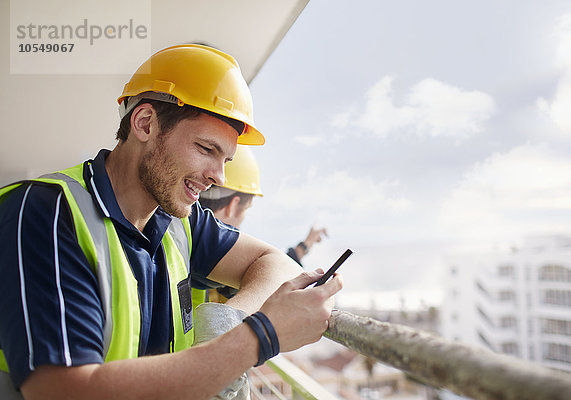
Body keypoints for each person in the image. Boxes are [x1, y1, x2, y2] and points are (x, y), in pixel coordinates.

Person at [0, 44, 342, 400]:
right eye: (207, 149)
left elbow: (277, 266)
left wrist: (228, 322)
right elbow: (63, 391)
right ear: (145, 123)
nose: (219, 177)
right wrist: (256, 337)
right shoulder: (46, 211)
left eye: (226, 159)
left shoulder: (178, 223)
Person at [198, 146, 328, 267]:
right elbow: (267, 272)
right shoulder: (217, 261)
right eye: (246, 209)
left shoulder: (187, 240)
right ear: (234, 205)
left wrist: (305, 245)